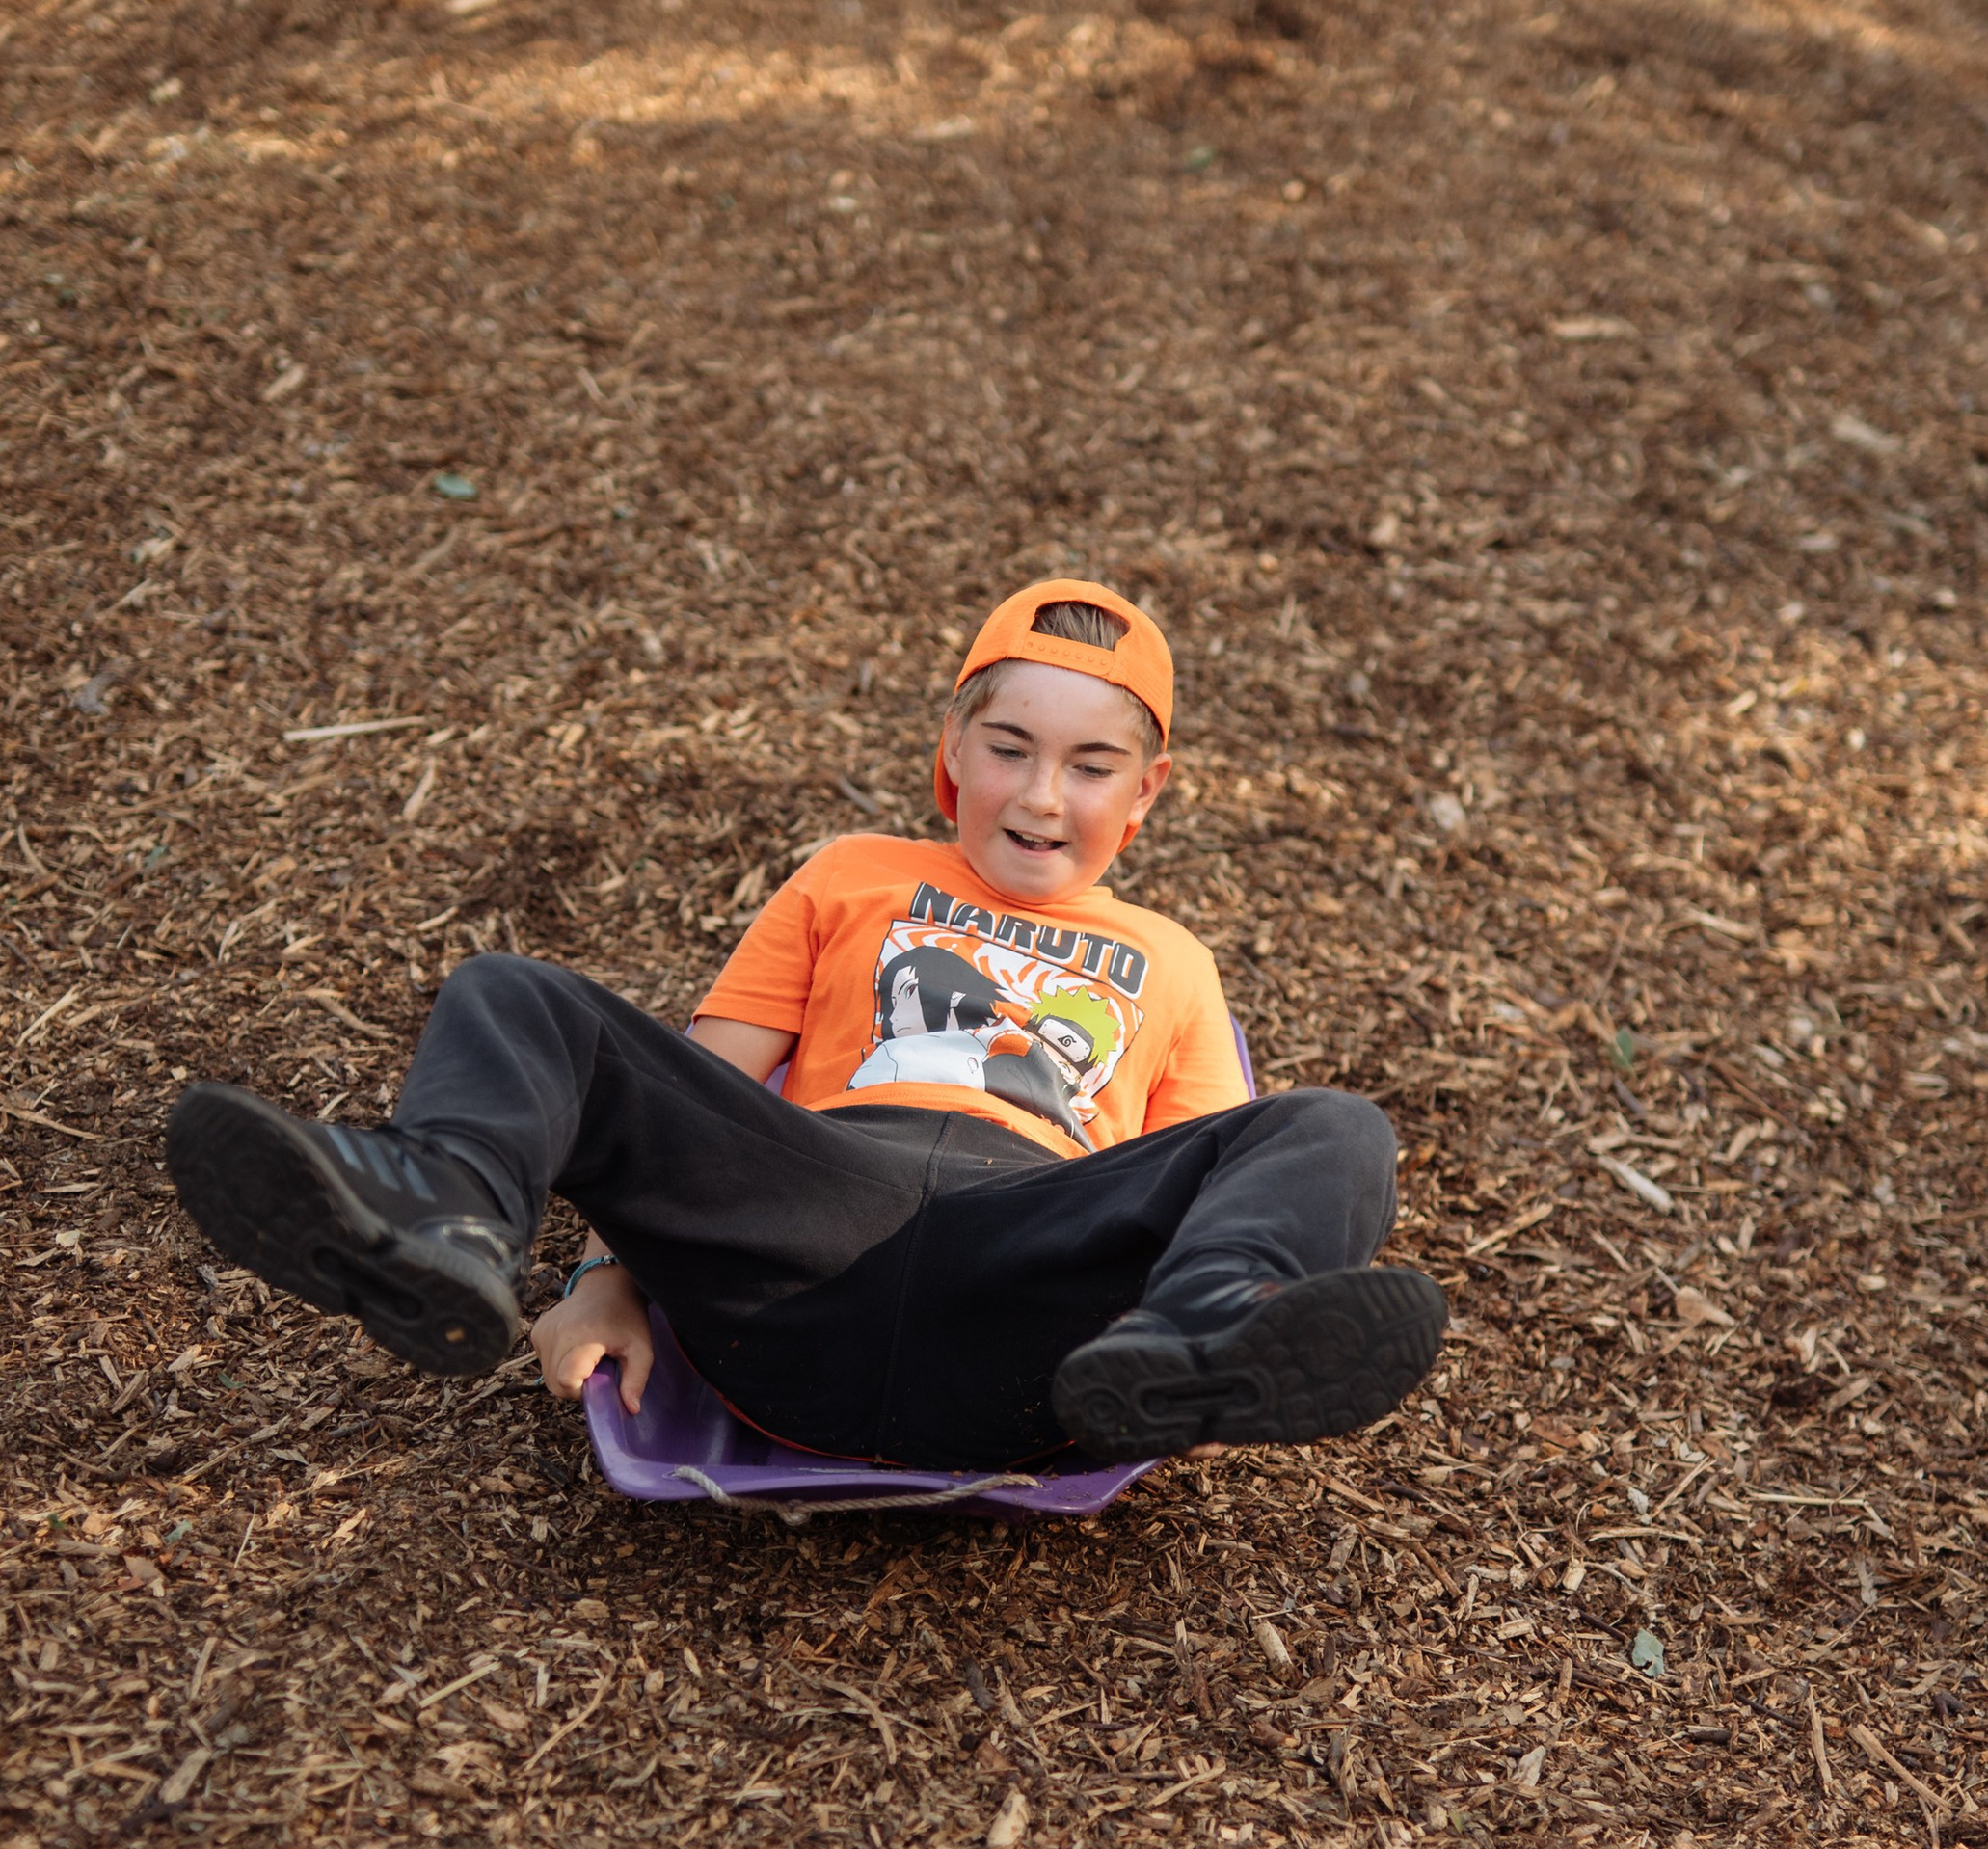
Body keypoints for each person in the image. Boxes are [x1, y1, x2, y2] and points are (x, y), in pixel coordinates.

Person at [164, 584, 1446, 1473]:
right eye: (1009, 748)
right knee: (518, 993)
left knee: (1336, 1130)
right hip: (804, 1257)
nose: (1043, 796)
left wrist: (1187, 1303)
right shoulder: (851, 874)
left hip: (1036, 1312)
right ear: (953, 750)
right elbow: (698, 1097)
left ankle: (1207, 1335)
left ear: (1147, 791)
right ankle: (443, 1217)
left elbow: (1210, 1175)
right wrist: (602, 1279)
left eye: (1091, 767)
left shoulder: (1173, 960)